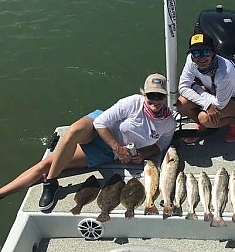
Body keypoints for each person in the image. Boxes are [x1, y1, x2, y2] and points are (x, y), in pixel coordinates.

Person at [0, 74, 176, 212]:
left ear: (165, 97)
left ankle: (4, 193)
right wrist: (118, 147)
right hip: (98, 130)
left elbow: (162, 144)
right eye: (151, 95)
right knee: (73, 132)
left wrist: (143, 154)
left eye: (159, 96)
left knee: (47, 164)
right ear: (144, 94)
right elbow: (100, 123)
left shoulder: (168, 122)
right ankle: (51, 182)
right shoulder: (132, 103)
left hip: (107, 152)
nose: (155, 101)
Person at [177, 32, 235, 143]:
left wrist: (196, 88)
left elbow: (219, 104)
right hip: (212, 92)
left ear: (213, 52)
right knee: (181, 103)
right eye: (196, 53)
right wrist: (206, 105)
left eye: (206, 52)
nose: (201, 58)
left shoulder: (225, 72)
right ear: (191, 54)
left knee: (204, 118)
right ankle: (205, 125)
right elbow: (182, 87)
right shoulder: (190, 61)